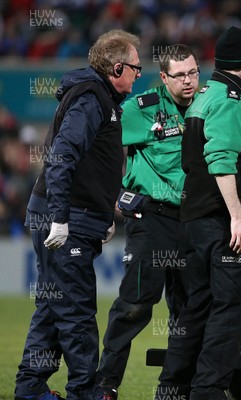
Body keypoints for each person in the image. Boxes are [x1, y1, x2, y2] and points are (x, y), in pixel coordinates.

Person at [14, 30, 141, 400]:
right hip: (64, 216)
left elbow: (89, 165)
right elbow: (62, 155)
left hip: (74, 214)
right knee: (77, 313)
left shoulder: (97, 96)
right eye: (135, 67)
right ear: (117, 67)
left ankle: (31, 389)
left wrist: (102, 215)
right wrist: (60, 217)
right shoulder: (92, 98)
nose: (138, 74)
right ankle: (84, 393)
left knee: (54, 307)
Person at [154, 26, 241, 400]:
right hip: (219, 222)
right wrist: (236, 216)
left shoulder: (203, 95)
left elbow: (191, 160)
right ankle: (209, 390)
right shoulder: (230, 100)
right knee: (229, 309)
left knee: (195, 308)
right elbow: (220, 160)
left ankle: (172, 388)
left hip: (192, 222)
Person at [94, 44, 200, 399]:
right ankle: (106, 384)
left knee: (187, 309)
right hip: (152, 218)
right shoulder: (142, 109)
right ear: (164, 77)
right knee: (136, 302)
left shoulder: (206, 106)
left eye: (194, 72)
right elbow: (101, 146)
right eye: (181, 75)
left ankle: (173, 388)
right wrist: (103, 203)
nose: (189, 81)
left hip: (192, 221)